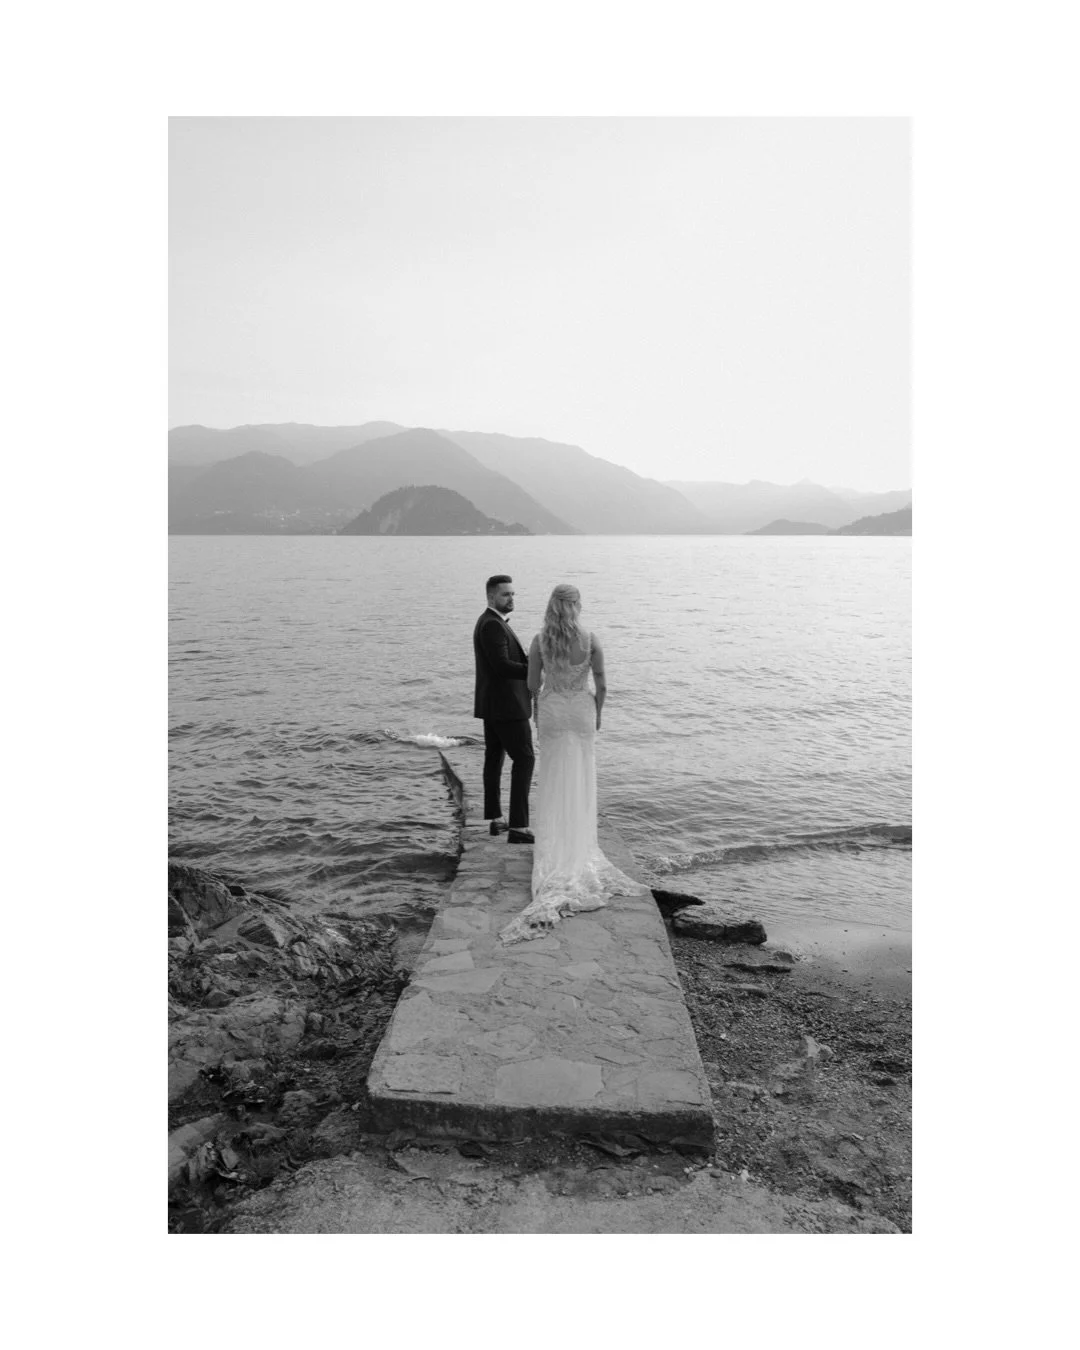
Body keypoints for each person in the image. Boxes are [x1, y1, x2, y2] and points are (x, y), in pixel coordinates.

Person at [500, 583, 649, 944]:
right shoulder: (591, 639)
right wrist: (597, 713)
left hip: (553, 712)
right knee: (582, 780)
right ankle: (579, 850)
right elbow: (601, 682)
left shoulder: (539, 641)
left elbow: (533, 684)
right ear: (578, 606)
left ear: (552, 607)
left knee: (552, 781)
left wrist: (538, 710)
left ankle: (554, 852)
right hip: (581, 711)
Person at [473, 574, 535, 844]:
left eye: (513, 594)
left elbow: (502, 662)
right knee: (525, 759)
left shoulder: (490, 622)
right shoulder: (492, 626)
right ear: (491, 597)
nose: (511, 598)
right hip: (507, 706)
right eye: (505, 594)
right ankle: (519, 827)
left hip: (494, 705)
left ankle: (496, 819)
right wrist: (533, 670)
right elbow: (501, 666)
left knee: (495, 759)